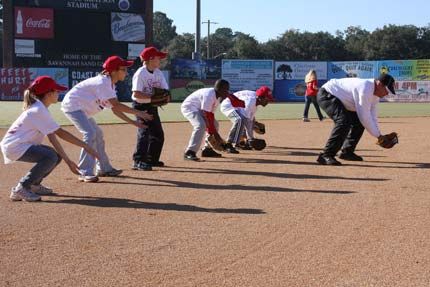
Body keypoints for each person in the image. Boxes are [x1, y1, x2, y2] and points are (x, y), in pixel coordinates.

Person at [0, 76, 99, 202]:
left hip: (17, 145)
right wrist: (86, 146)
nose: (59, 93)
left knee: (55, 156)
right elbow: (61, 133)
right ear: (48, 93)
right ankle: (22, 188)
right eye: (56, 91)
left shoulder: (40, 108)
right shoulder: (38, 110)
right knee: (50, 156)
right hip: (15, 147)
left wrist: (68, 161)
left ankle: (34, 185)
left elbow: (53, 138)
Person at [61, 56, 153, 182]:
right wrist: (139, 113)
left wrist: (132, 122)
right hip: (73, 107)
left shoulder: (110, 85)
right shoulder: (103, 83)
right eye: (123, 69)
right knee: (90, 133)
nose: (126, 72)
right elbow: (117, 105)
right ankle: (84, 171)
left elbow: (115, 109)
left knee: (98, 134)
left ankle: (104, 168)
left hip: (82, 109)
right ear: (113, 71)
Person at [316, 74, 396, 165]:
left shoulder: (375, 95)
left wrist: (379, 134)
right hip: (327, 94)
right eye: (387, 90)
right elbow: (364, 116)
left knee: (358, 122)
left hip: (343, 101)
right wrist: (378, 136)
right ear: (379, 84)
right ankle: (326, 155)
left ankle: (347, 152)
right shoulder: (365, 88)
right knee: (343, 122)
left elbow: (372, 116)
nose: (387, 93)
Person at [131, 46, 169, 171]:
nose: (160, 60)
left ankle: (151, 159)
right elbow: (136, 94)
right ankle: (138, 161)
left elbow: (165, 91)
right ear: (151, 59)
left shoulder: (158, 73)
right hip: (140, 105)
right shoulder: (140, 73)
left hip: (152, 106)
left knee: (158, 134)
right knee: (144, 132)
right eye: (158, 57)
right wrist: (154, 99)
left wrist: (165, 96)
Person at [181, 79, 231, 161]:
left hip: (200, 109)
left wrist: (213, 132)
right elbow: (206, 116)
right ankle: (189, 152)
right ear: (220, 89)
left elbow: (210, 116)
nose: (227, 92)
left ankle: (207, 150)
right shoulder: (209, 95)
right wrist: (216, 135)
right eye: (226, 89)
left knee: (215, 124)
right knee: (200, 125)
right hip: (190, 108)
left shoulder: (219, 96)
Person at [220, 86, 273, 151]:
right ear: (261, 98)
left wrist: (251, 138)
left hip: (238, 106)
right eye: (267, 99)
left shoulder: (255, 102)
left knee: (247, 121)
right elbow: (247, 123)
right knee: (239, 120)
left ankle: (241, 141)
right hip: (228, 105)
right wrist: (251, 139)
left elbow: (250, 121)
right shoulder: (250, 102)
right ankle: (229, 143)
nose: (268, 101)